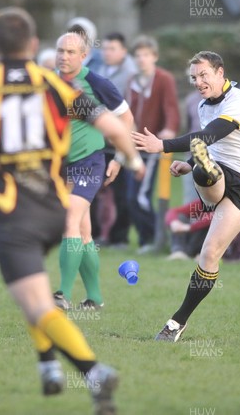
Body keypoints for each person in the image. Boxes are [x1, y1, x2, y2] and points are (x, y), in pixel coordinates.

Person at [0, 7, 144, 413]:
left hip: (12, 211)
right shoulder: (54, 87)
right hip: (52, 206)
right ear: (35, 47)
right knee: (31, 290)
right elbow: (111, 126)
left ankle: (93, 372)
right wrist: (132, 159)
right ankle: (48, 366)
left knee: (36, 302)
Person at [132, 51, 240, 342]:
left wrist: (163, 146)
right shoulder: (205, 106)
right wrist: (189, 162)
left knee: (209, 254)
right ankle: (200, 168)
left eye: (204, 75)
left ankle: (177, 323)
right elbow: (209, 145)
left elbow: (211, 136)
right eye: (194, 77)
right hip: (217, 178)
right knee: (204, 168)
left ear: (220, 72)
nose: (198, 81)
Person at [53, 25, 134, 311]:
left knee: (69, 222)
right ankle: (96, 298)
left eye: (70, 52)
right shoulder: (49, 83)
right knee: (84, 232)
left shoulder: (99, 83)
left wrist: (119, 159)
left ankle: (61, 294)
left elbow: (127, 120)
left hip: (91, 161)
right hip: (62, 166)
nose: (63, 56)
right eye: (60, 51)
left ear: (84, 55)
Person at [126, 35, 180, 253]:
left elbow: (172, 108)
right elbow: (126, 111)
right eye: (138, 55)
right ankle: (149, 238)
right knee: (130, 196)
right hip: (132, 146)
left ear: (155, 57)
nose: (141, 60)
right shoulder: (132, 80)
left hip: (152, 146)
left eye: (146, 55)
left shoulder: (164, 79)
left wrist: (168, 131)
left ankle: (155, 239)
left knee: (138, 196)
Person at [95, 32, 138, 248]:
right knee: (97, 189)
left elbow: (128, 112)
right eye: (105, 48)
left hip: (123, 141)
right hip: (101, 140)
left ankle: (120, 237)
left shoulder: (131, 74)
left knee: (122, 192)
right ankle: (98, 235)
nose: (107, 52)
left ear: (123, 51)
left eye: (112, 48)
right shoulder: (100, 71)